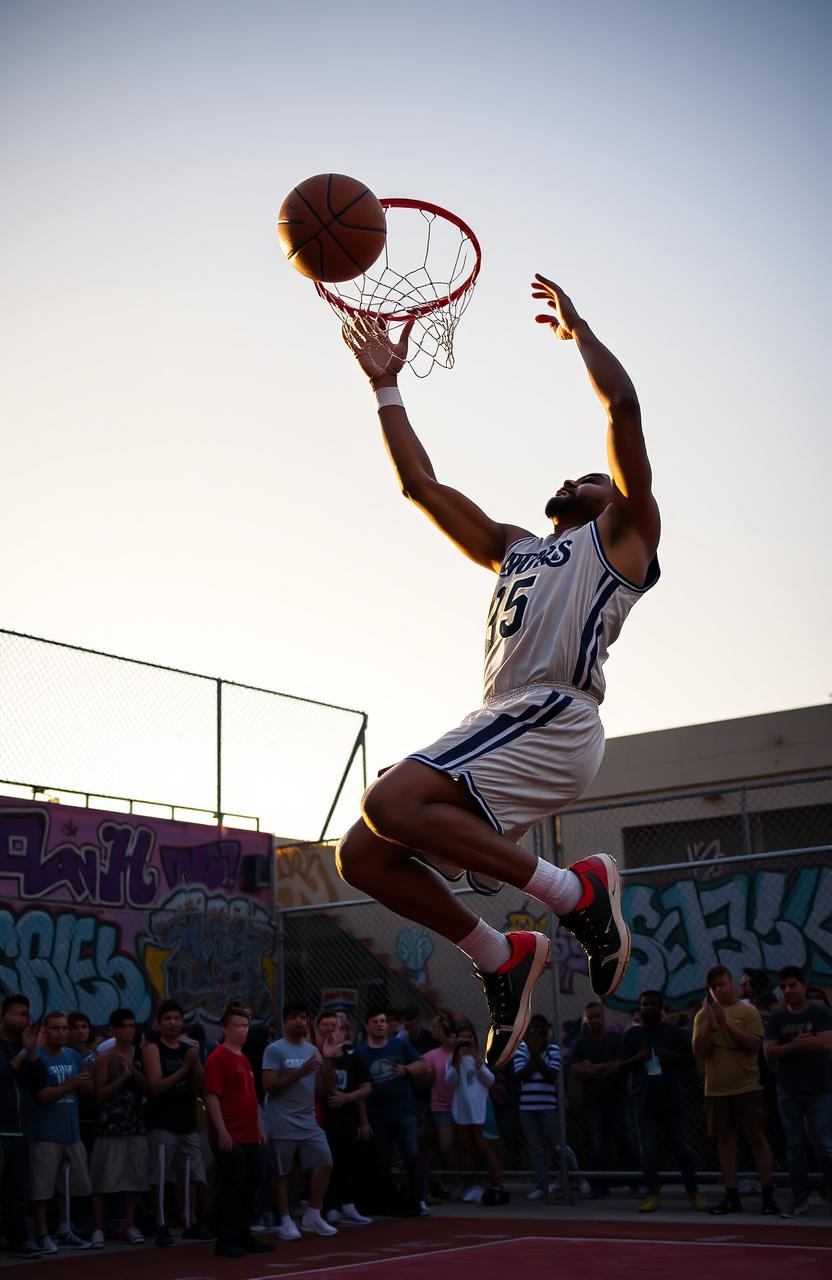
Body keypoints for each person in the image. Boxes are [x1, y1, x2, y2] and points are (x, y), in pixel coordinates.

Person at [335, 279, 661, 1067]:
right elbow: (422, 486)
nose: (573, 477)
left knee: (390, 797)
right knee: (363, 854)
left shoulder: (623, 535)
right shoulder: (517, 544)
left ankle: (574, 893)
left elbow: (624, 411)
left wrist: (580, 330)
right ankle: (498, 955)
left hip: (554, 713)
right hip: (506, 718)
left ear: (610, 494)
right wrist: (386, 385)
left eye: (587, 474)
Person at [692, 966, 778, 1216]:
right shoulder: (701, 1016)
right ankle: (731, 1194)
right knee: (725, 1140)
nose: (719, 989)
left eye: (723, 984)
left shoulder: (747, 1011)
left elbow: (753, 1045)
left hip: (747, 1087)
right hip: (716, 1090)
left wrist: (725, 1022)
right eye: (714, 986)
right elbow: (698, 1053)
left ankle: (768, 1193)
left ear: (731, 984)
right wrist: (709, 1023)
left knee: (756, 1138)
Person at [618, 990, 706, 1214]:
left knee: (683, 1149)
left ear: (661, 1007)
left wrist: (672, 1058)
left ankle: (693, 1192)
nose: (649, 1007)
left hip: (673, 1101)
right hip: (646, 1103)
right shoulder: (632, 1035)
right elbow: (621, 1066)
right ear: (639, 1007)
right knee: (649, 1151)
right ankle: (652, 1194)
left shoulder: (673, 1032)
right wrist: (638, 1059)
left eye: (653, 1004)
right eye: (645, 1004)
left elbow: (694, 1057)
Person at [262, 1002, 339, 1240]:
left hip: (308, 1119)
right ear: (284, 1021)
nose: (300, 1022)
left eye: (304, 1017)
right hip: (281, 1119)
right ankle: (285, 1220)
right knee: (282, 1172)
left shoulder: (313, 1050)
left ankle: (313, 1214)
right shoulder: (274, 1050)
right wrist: (300, 1072)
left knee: (325, 1163)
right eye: (295, 1017)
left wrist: (327, 1061)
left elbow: (325, 1089)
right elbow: (268, 1086)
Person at [203, 1003, 274, 1259]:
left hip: (249, 1133)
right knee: (232, 1185)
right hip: (230, 1134)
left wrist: (257, 1126)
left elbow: (249, 1096)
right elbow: (211, 1096)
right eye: (237, 1026)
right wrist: (222, 1132)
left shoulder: (243, 1058)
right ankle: (225, 1238)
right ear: (225, 1029)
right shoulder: (218, 1058)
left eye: (245, 1026)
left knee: (252, 1180)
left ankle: (244, 1233)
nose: (243, 1030)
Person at [764, 965, 832, 1218]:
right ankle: (799, 1198)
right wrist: (797, 1045)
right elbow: (770, 1051)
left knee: (825, 1144)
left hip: (820, 1088)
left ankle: (827, 1189)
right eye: (783, 987)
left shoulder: (820, 1012)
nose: (787, 991)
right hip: (789, 1089)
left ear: (804, 986)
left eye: (792, 985)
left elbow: (828, 1042)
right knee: (794, 1145)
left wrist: (805, 1044)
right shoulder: (777, 1020)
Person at [142, 998, 212, 1246]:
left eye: (177, 1019)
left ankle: (191, 1220)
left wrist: (197, 1061)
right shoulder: (153, 1049)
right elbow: (156, 1086)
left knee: (193, 1173)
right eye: (167, 1019)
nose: (172, 1023)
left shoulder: (189, 1048)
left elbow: (202, 1087)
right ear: (159, 1023)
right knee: (160, 1175)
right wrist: (184, 1068)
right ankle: (161, 1223)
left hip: (187, 1121)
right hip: (162, 1122)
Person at [30, 1010, 94, 1253]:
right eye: (55, 1028)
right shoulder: (38, 1058)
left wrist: (89, 1079)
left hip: (72, 1131)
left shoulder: (73, 1055)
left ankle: (65, 1229)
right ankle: (43, 1232)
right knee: (42, 1188)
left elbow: (86, 1090)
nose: (61, 1032)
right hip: (45, 1133)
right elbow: (43, 1095)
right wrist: (71, 1085)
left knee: (71, 1186)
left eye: (64, 1028)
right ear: (45, 1030)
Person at [354, 1009, 428, 1217]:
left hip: (404, 1112)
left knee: (412, 1155)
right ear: (367, 1025)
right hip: (377, 1115)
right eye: (375, 1021)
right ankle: (387, 1200)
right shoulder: (361, 1053)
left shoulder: (399, 1045)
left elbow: (422, 1065)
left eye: (383, 1021)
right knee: (382, 1159)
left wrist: (407, 1069)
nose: (380, 1025)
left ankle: (419, 1199)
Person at [89, 1007, 150, 1246]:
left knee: (134, 1177)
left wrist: (133, 1070)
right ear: (114, 1030)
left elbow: (149, 1089)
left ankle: (130, 1225)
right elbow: (100, 1093)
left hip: (135, 1123)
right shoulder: (105, 1057)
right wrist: (123, 1077)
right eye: (124, 1025)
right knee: (103, 1177)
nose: (129, 1030)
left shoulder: (141, 1054)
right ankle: (97, 1228)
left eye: (132, 1025)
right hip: (110, 1125)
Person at [513, 1014, 587, 1201]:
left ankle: (577, 1177)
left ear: (548, 1030)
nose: (537, 1031)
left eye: (541, 1027)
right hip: (527, 1107)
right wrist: (533, 1052)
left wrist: (536, 1052)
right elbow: (521, 1074)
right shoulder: (521, 1050)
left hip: (547, 1106)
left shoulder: (554, 1049)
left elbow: (550, 1074)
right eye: (533, 1028)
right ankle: (542, 1186)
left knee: (559, 1145)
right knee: (537, 1148)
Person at [570, 1001, 640, 1197]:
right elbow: (576, 1071)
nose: (592, 1020)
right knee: (597, 1144)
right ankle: (601, 1186)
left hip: (618, 1099)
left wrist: (593, 1069)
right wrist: (606, 1069)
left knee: (626, 1140)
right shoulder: (581, 1043)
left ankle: (637, 1182)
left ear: (603, 1016)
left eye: (596, 1016)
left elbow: (621, 1065)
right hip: (593, 1102)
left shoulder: (617, 1039)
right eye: (589, 1017)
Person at [314, 1010, 373, 1227]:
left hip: (346, 1118)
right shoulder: (315, 1054)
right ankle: (329, 1206)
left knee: (348, 1161)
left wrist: (348, 1099)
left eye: (336, 1027)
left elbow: (365, 1088)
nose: (332, 1031)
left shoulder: (353, 1056)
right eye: (327, 1026)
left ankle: (348, 1204)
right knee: (327, 1162)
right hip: (322, 1119)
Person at [444, 1028, 508, 1205]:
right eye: (461, 1038)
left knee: (485, 1147)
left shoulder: (479, 1060)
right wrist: (456, 1062)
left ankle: (497, 1184)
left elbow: (490, 1081)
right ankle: (473, 1186)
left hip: (480, 1111)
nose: (465, 1041)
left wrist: (478, 1062)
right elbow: (449, 1082)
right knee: (467, 1149)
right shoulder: (453, 1061)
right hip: (462, 1111)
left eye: (469, 1038)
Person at [0, 995, 42, 1257]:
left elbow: (41, 1081)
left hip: (21, 1130)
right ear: (3, 1015)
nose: (22, 1019)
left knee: (19, 1191)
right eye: (16, 1013)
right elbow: (2, 1076)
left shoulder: (25, 1046)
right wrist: (23, 1053)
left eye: (25, 1014)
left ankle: (20, 1240)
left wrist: (32, 1051)